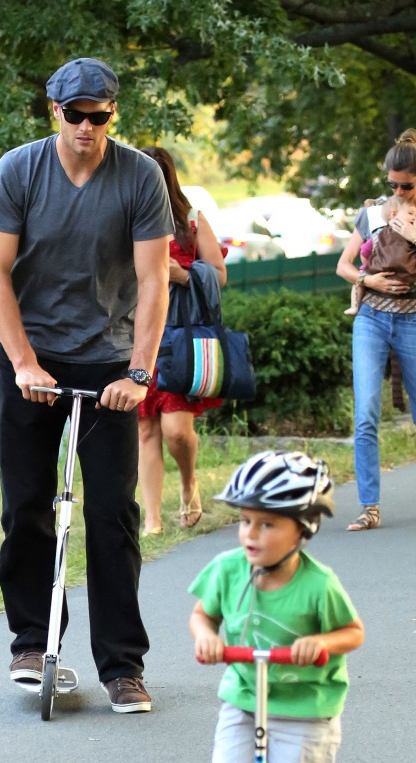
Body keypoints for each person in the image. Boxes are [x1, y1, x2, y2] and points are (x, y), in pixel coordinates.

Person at [0, 58, 173, 713]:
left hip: (108, 365)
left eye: (101, 116)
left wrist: (139, 371)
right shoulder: (20, 170)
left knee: (113, 515)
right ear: (53, 109)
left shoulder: (140, 177)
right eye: (76, 114)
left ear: (112, 114)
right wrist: (26, 362)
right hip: (31, 358)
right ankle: (33, 644)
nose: (88, 127)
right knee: (27, 507)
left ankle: (122, 666)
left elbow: (153, 280)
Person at [171, 451, 364, 763]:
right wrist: (206, 637)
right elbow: (201, 614)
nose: (251, 535)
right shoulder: (228, 569)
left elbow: (352, 632)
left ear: (305, 528)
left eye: (268, 525)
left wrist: (320, 642)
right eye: (245, 522)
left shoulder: (319, 585)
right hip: (243, 699)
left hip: (306, 711)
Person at [336, 128, 416, 531]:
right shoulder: (372, 212)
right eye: (392, 184)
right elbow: (344, 264)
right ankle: (369, 506)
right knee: (366, 414)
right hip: (371, 318)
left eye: (405, 185)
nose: (399, 192)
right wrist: (366, 281)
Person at [137, 146, 228, 536]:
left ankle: (189, 481)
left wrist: (184, 274)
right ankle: (153, 518)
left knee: (176, 429)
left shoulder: (189, 219)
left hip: (179, 336)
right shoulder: (124, 217)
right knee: (145, 429)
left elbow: (219, 274)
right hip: (137, 334)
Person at [344, 194, 416, 320]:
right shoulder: (398, 232)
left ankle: (354, 306)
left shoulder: (382, 232)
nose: (414, 218)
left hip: (389, 270)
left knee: (360, 280)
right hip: (404, 270)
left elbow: (365, 250)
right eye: (411, 213)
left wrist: (367, 264)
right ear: (394, 214)